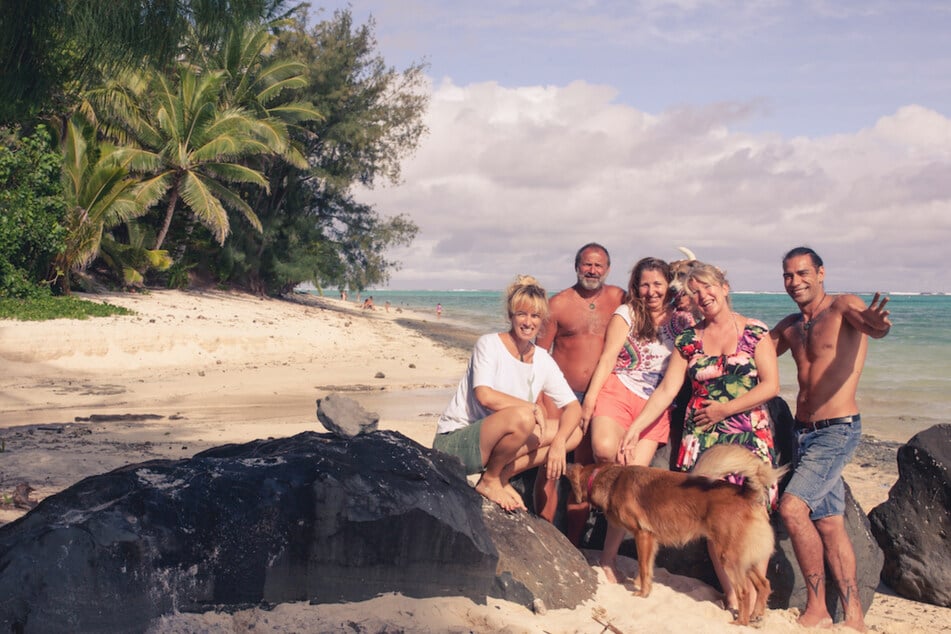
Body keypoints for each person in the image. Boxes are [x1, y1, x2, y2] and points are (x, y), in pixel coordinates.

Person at [617, 261, 780, 618]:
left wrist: (725, 410)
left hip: (749, 434)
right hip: (702, 438)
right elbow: (666, 391)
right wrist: (635, 428)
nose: (703, 296)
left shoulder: (755, 332)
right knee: (711, 519)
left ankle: (754, 602)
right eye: (695, 292)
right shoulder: (688, 341)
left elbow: (771, 385)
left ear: (724, 286)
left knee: (752, 512)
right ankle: (734, 597)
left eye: (709, 288)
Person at [770, 247, 891, 631]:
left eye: (803, 273)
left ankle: (818, 608)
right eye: (788, 275)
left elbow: (872, 326)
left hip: (837, 430)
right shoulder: (791, 326)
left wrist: (877, 324)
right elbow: (750, 351)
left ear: (821, 273)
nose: (795, 282)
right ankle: (854, 616)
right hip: (802, 433)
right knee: (829, 524)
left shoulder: (843, 307)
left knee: (791, 510)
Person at [580, 257, 694, 582]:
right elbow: (606, 360)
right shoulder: (627, 313)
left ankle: (608, 557)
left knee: (629, 481)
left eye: (658, 283)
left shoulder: (683, 320)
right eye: (645, 284)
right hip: (619, 390)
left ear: (669, 285)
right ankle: (601, 502)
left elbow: (710, 300)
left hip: (654, 407)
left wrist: (690, 268)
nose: (651, 291)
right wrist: (589, 402)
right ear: (636, 286)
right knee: (605, 450)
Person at [434, 275, 584, 512]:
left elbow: (573, 407)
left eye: (535, 316)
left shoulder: (542, 359)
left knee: (573, 434)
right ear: (510, 315)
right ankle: (490, 480)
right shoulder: (489, 344)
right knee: (524, 416)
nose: (528, 322)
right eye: (521, 314)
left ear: (542, 319)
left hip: (497, 442)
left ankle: (501, 476)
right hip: (457, 443)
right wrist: (532, 407)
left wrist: (558, 444)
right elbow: (484, 395)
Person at [534, 242, 624, 532]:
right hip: (559, 395)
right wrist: (536, 399)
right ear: (576, 266)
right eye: (587, 264)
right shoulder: (558, 304)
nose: (592, 270)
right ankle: (545, 533)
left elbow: (659, 299)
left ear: (608, 269)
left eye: (599, 265)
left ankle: (573, 544)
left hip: (598, 395)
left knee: (583, 474)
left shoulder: (619, 298)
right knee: (550, 466)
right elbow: (538, 354)